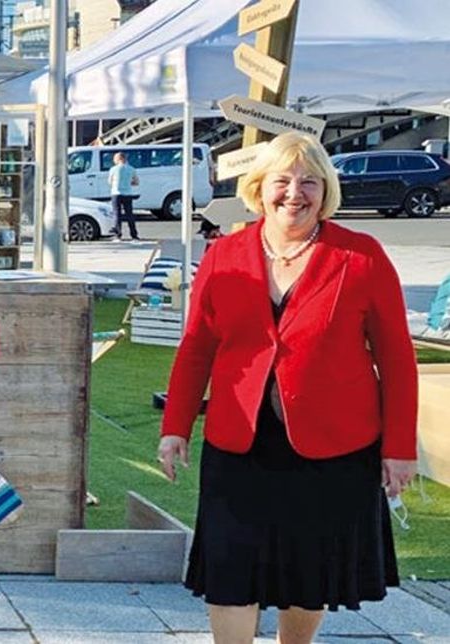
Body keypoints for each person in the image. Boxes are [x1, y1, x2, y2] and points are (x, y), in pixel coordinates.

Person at [157, 132, 417, 644]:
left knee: (309, 573)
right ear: (259, 187)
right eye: (282, 180)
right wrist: (175, 428)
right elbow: (195, 348)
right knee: (230, 573)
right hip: (240, 440)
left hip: (334, 445)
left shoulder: (360, 256)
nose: (294, 193)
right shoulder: (224, 254)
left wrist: (400, 449)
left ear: (326, 191)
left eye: (309, 182)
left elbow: (397, 359)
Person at [108, 152, 139, 240]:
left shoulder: (113, 169)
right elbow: (136, 182)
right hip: (128, 193)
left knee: (117, 214)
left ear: (119, 159)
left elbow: (110, 182)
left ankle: (118, 234)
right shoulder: (131, 169)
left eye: (115, 159)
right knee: (129, 214)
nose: (114, 161)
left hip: (116, 193)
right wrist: (128, 183)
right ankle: (134, 234)